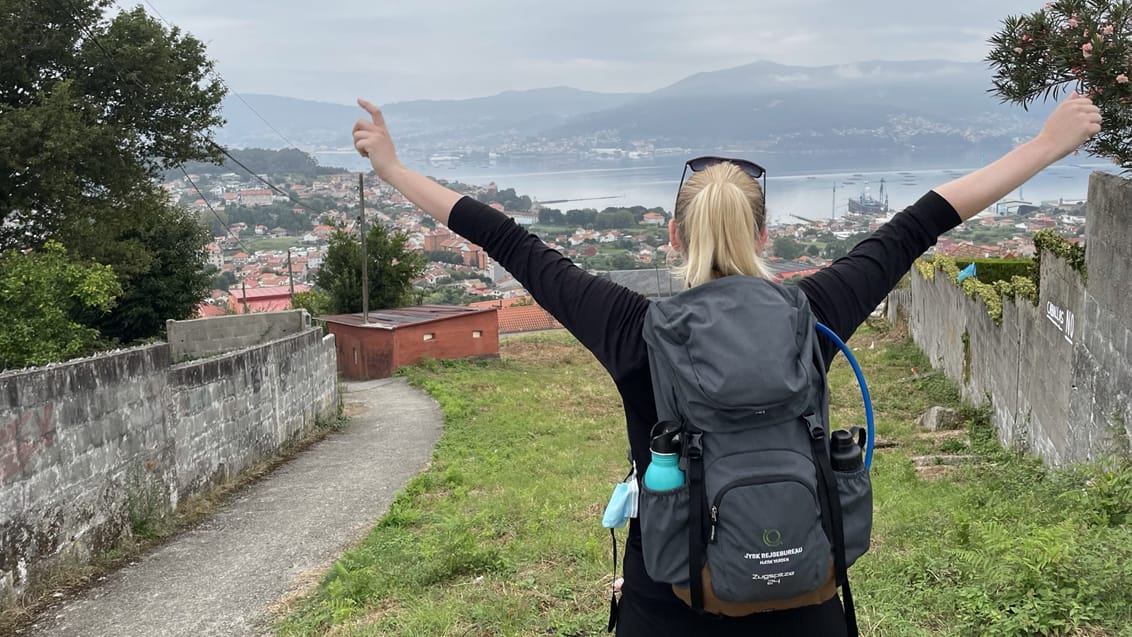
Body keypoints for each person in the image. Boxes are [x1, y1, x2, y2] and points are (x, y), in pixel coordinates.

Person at [352, 93, 1101, 636]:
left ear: (675, 235)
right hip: (806, 598)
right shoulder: (814, 312)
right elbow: (923, 221)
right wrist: (1046, 146)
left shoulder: (631, 325)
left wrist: (391, 167)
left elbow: (508, 239)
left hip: (667, 598)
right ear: (764, 230)